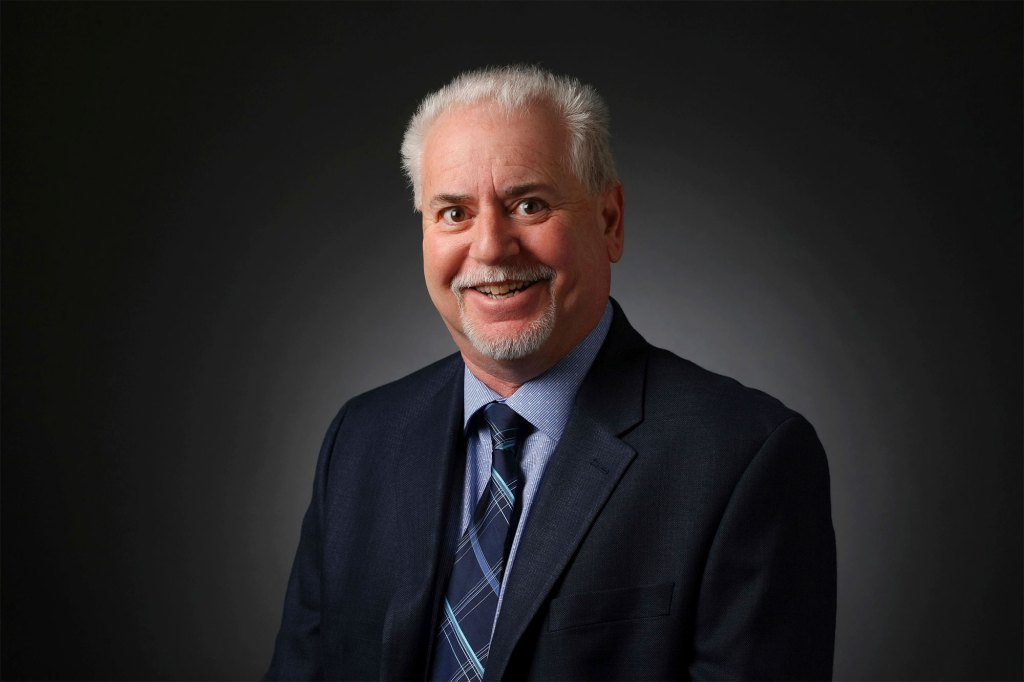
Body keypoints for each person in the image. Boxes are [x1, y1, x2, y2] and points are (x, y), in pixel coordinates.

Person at [266, 65, 836, 681]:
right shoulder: (360, 440)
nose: (490, 247)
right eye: (453, 213)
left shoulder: (743, 457)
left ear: (610, 220)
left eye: (528, 204)